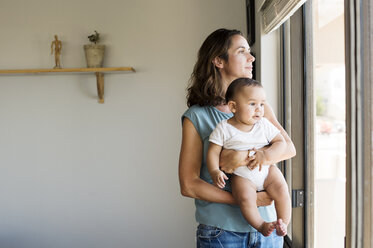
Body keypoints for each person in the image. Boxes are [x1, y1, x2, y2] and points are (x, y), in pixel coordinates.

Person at [178, 28, 296, 248]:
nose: (251, 58)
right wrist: (248, 200)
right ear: (218, 61)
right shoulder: (197, 116)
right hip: (221, 232)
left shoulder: (259, 107)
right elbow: (189, 185)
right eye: (242, 51)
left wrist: (243, 156)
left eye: (249, 52)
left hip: (269, 230)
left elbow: (289, 148)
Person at [207, 78, 291, 237]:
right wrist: (214, 171)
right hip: (242, 176)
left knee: (281, 189)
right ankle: (261, 225)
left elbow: (281, 143)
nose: (258, 109)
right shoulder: (224, 128)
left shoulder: (264, 124)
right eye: (252, 104)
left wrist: (266, 154)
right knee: (246, 198)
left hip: (267, 171)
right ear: (233, 106)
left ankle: (283, 223)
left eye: (262, 104)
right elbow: (213, 152)